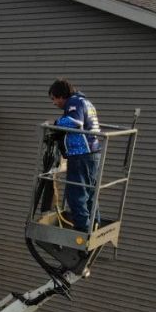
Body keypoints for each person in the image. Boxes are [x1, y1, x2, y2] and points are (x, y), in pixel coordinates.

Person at [48, 79, 101, 232]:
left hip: (81, 153)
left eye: (54, 98)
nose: (54, 103)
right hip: (92, 152)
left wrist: (55, 123)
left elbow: (74, 121)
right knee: (89, 192)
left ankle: (83, 231)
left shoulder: (74, 102)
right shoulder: (85, 101)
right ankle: (94, 224)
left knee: (76, 193)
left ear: (61, 95)